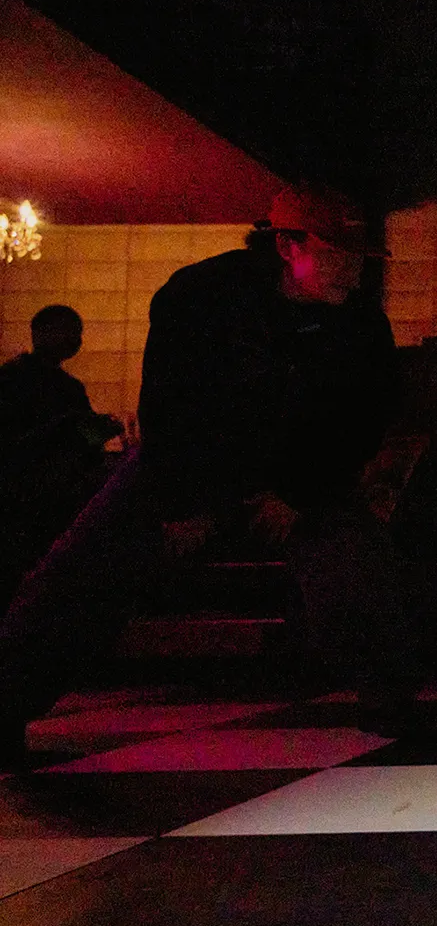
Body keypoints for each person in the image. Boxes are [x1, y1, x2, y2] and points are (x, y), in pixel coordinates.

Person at [0, 186, 412, 764]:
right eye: (338, 255)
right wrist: (183, 505)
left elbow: (364, 421)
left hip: (296, 476)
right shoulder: (202, 295)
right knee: (77, 572)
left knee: (354, 557)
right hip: (193, 467)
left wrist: (299, 495)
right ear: (287, 246)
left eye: (360, 258)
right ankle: (6, 704)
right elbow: (168, 409)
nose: (353, 271)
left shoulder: (360, 323)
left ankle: (388, 699)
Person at [0, 306, 123, 601]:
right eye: (70, 332)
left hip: (42, 493)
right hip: (36, 494)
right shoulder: (25, 383)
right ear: (41, 332)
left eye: (77, 334)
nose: (76, 341)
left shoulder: (20, 380)